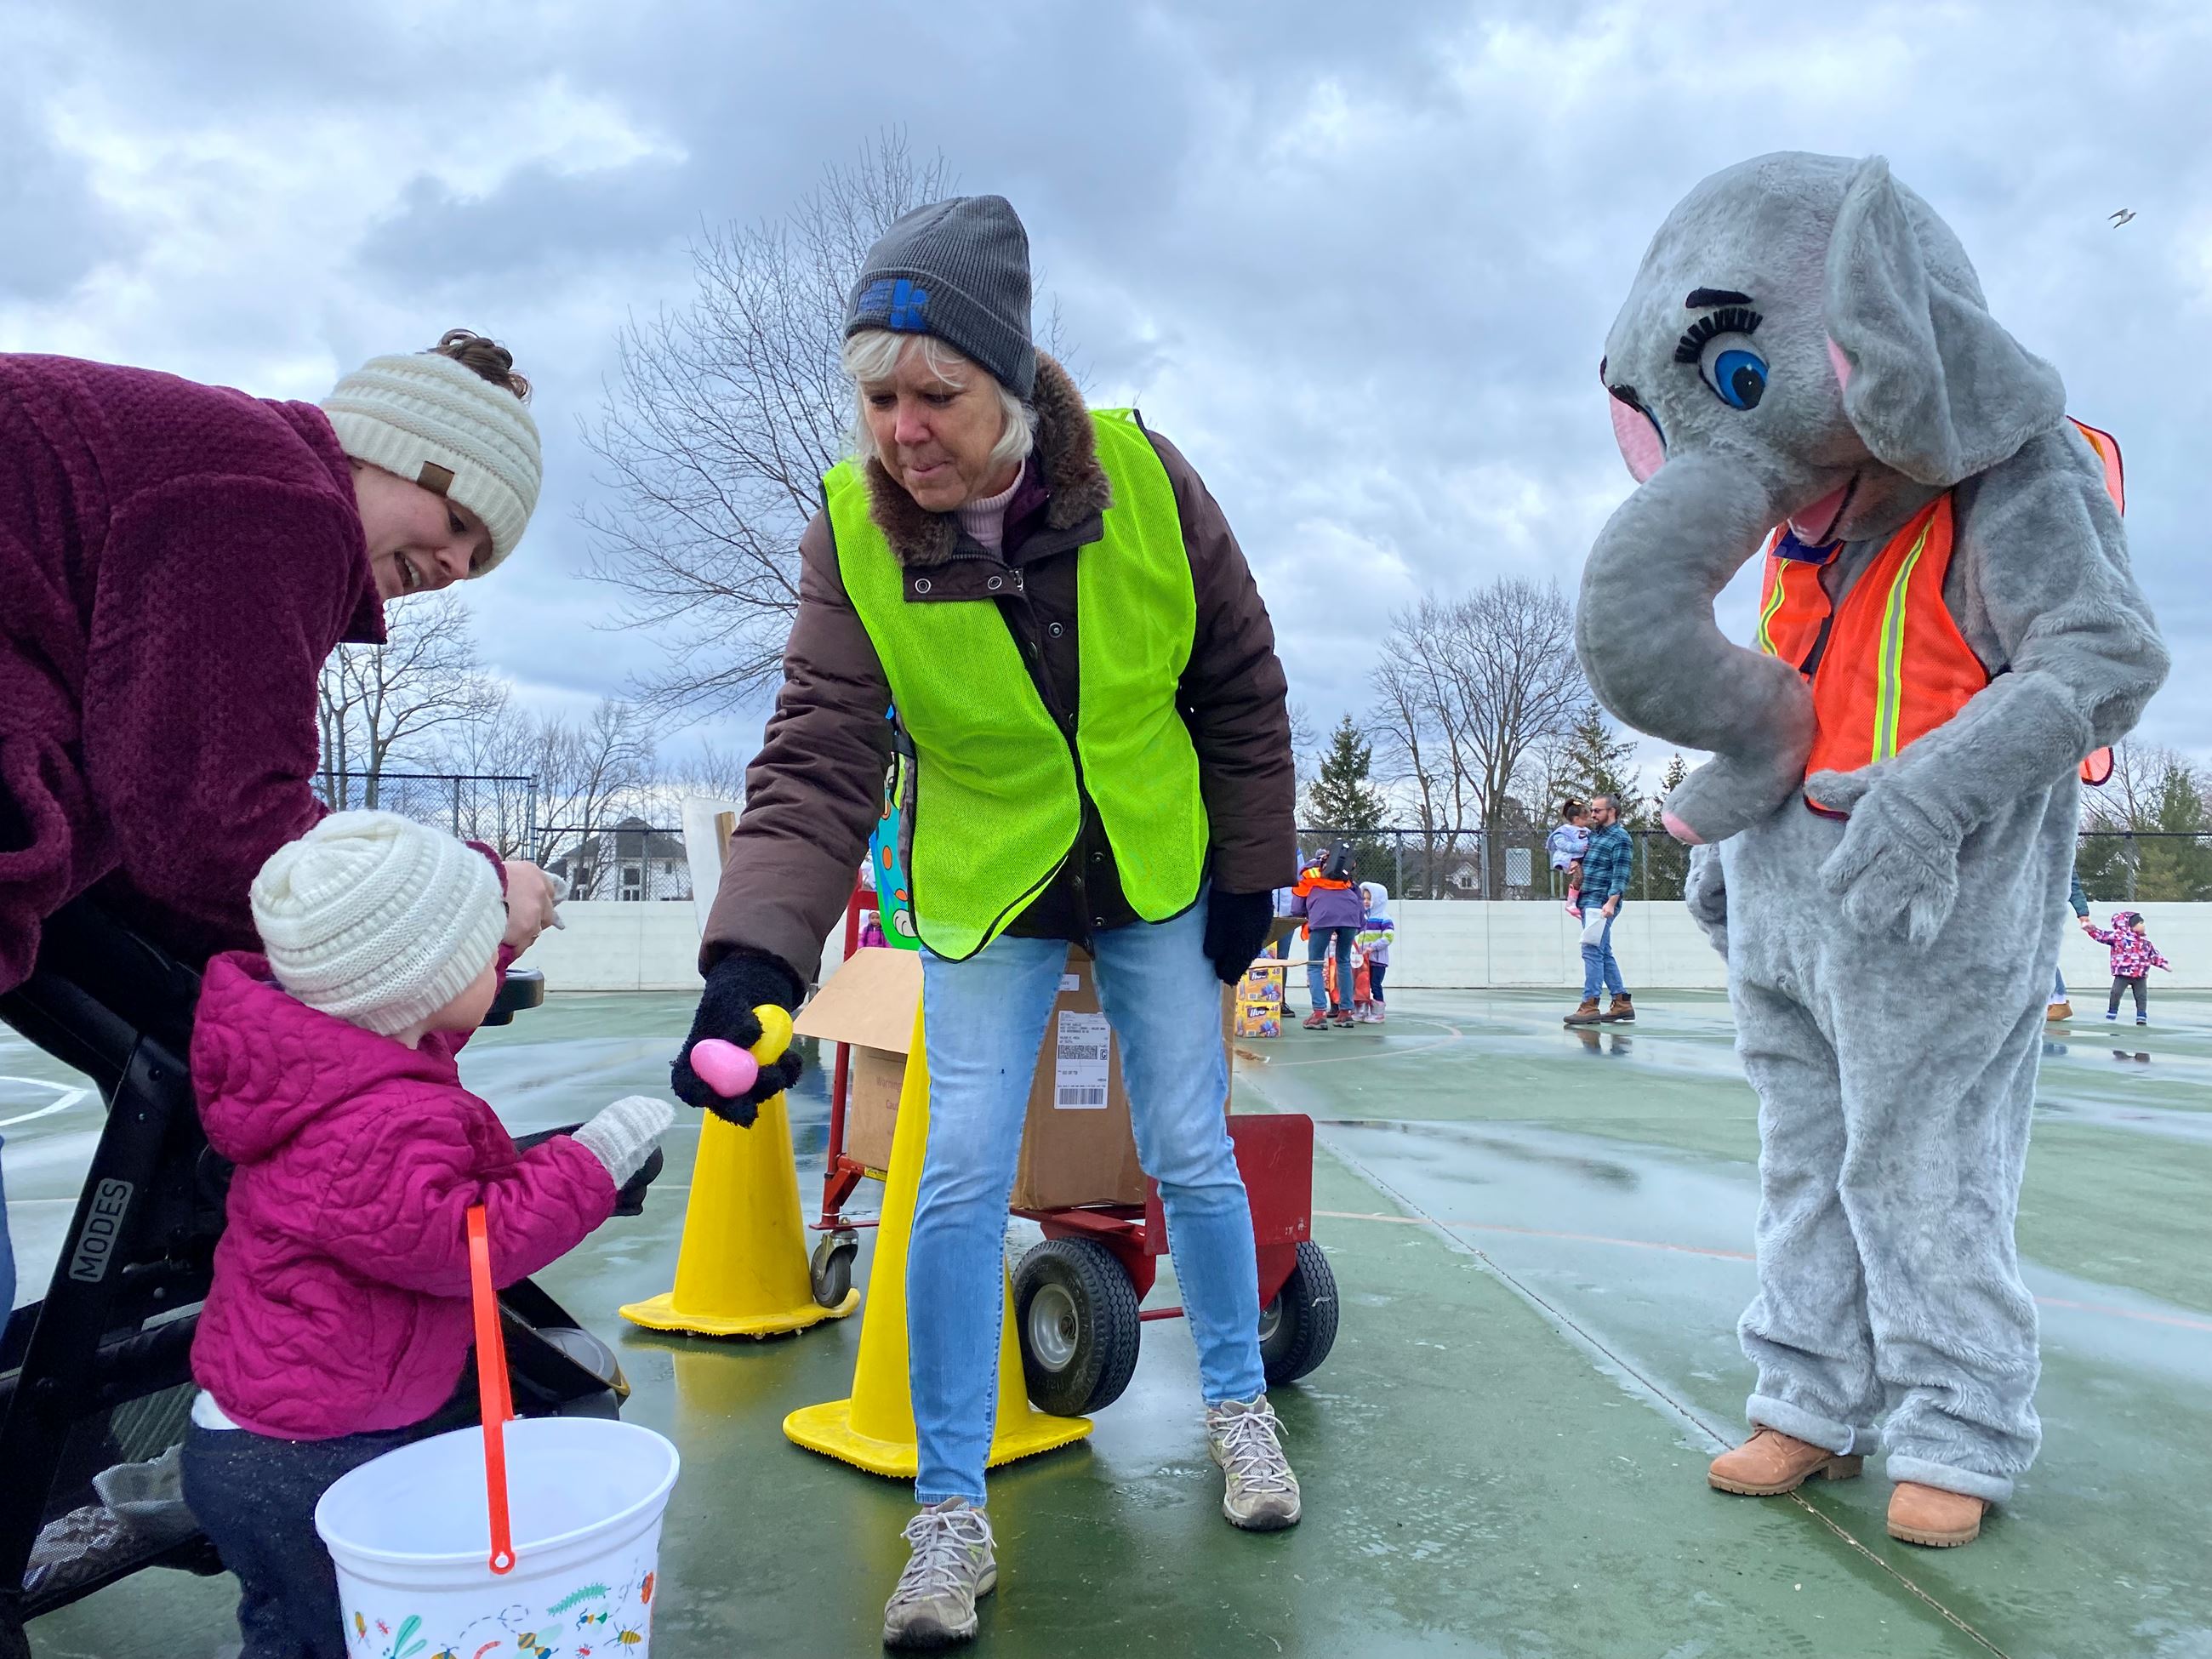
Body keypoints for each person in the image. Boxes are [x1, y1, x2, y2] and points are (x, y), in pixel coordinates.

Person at [675, 196, 1299, 1649]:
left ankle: (1237, 1412)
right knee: (952, 1184)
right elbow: (821, 743)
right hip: (991, 882)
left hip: (1153, 863)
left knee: (1192, 1153)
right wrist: (755, 958)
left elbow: (1240, 680)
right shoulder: (852, 530)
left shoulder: (1146, 477)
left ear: (1010, 387)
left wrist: (1251, 871)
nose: (902, 427)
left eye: (934, 394)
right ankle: (947, 1519)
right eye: (878, 397)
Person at [0, 329, 558, 1462]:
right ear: (388, 452)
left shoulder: (210, 474)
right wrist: (474, 893)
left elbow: (166, 835)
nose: (455, 566)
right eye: (456, 526)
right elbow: (217, 827)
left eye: (481, 557)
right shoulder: (271, 492)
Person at [178, 812, 672, 1659]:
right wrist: (593, 1161)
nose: (492, 964)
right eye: (481, 955)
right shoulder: (375, 1123)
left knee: (292, 1628)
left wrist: (496, 934)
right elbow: (469, 1242)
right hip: (305, 1464)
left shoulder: (342, 1051)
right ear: (418, 981)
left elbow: (432, 1005)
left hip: (268, 1433)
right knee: (337, 1637)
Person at [1565, 795, 1634, 1025]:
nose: (1592, 815)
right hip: (1587, 900)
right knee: (1602, 951)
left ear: (1611, 812)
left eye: (1597, 811)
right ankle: (1621, 1002)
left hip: (1601, 902)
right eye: (1592, 810)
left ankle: (1590, 1004)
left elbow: (1620, 874)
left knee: (1591, 949)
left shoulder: (1621, 838)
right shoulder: (1594, 836)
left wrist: (1611, 904)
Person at [1292, 845, 1363, 1030]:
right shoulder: (1344, 875)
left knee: (1315, 964)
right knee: (1344, 961)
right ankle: (1346, 1012)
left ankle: (1318, 1014)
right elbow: (1358, 896)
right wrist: (1359, 923)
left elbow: (1298, 898)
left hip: (1323, 915)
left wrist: (1300, 915)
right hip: (1349, 916)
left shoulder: (1310, 872)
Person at [2085, 910, 2169, 1024]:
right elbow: (2102, 936)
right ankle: (2112, 1012)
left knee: (2141, 997)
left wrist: (2163, 963)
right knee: (2116, 993)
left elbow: (2153, 955)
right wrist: (2091, 930)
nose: (2143, 925)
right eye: (2140, 923)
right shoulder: (2118, 938)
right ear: (2129, 925)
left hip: (2140, 975)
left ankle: (2141, 1016)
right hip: (2122, 974)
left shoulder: (2145, 942)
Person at [2047, 865, 2090, 1021]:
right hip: (2026, 909)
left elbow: (2072, 884)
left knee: (2044, 956)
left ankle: (2059, 1002)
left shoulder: (2057, 850)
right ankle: (2052, 1001)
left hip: (2045, 911)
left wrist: (2083, 913)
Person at [1356, 883, 1395, 1023]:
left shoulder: (1384, 918)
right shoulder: (1363, 918)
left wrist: (1373, 947)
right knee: (1362, 984)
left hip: (1377, 960)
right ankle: (1362, 1010)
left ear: (1378, 900)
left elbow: (1389, 937)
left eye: (1369, 899)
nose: (1366, 902)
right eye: (1364, 898)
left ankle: (1378, 1013)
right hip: (1363, 960)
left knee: (1375, 984)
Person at [1548, 801, 1592, 915]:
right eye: (1585, 818)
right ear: (1576, 819)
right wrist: (1577, 847)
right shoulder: (1565, 831)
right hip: (1571, 859)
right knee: (1579, 877)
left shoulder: (1587, 831)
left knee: (1586, 878)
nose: (1588, 820)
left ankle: (1581, 899)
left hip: (1583, 859)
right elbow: (1561, 844)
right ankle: (1571, 903)